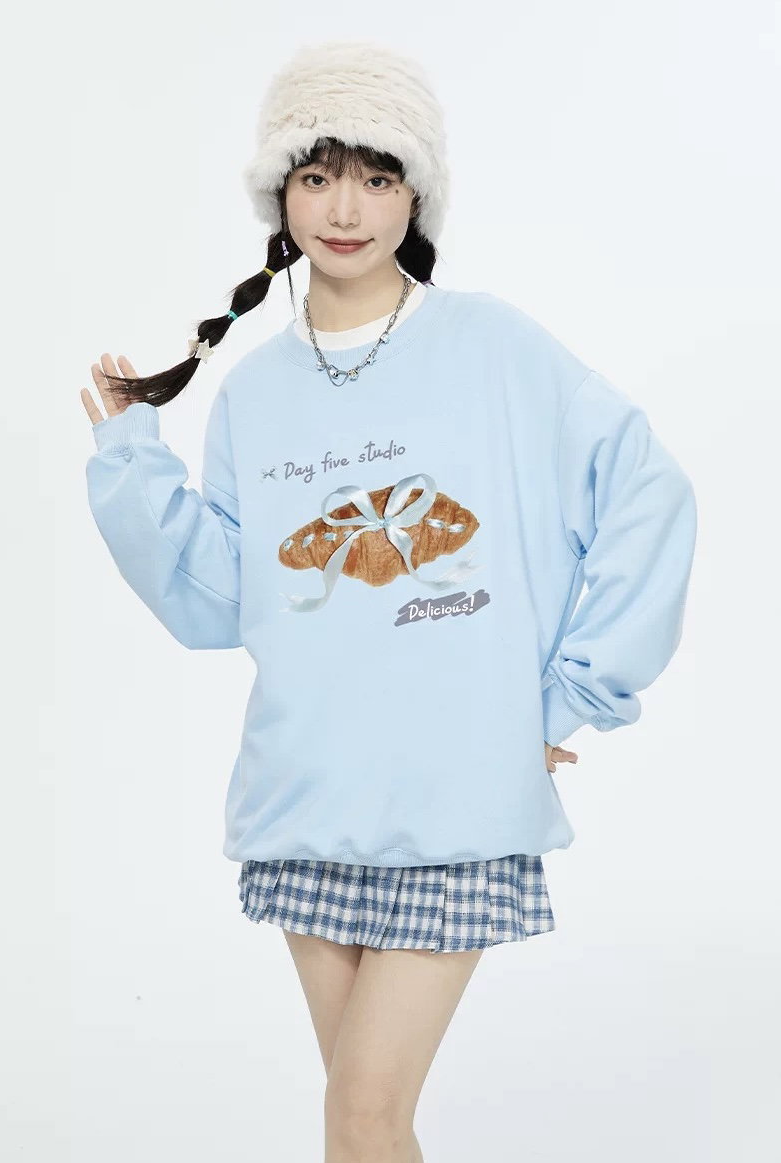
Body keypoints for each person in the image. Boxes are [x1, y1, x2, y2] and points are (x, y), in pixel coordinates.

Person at [80, 40, 697, 1163]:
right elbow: (223, 602)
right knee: (369, 1125)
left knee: (361, 1116)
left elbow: (647, 493)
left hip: (455, 797)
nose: (345, 208)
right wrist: (131, 468)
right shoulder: (255, 390)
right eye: (317, 176)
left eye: (376, 176)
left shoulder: (493, 345)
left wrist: (567, 692)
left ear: (417, 195)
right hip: (305, 795)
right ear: (279, 196)